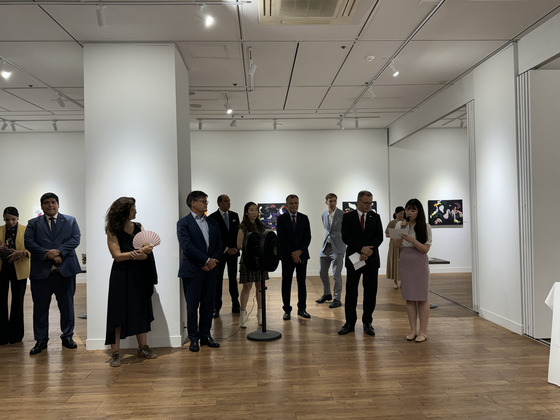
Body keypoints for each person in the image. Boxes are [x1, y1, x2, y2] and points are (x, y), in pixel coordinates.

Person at [24, 192, 81, 355]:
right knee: (40, 308)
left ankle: (68, 336)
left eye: (53, 202)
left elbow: (75, 239)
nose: (50, 205)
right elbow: (29, 242)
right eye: (47, 203)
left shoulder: (70, 221)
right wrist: (46, 254)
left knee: (67, 307)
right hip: (41, 274)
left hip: (65, 272)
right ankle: (41, 340)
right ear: (42, 206)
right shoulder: (33, 223)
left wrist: (59, 252)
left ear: (58, 204)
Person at [104, 197, 158, 367]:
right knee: (117, 311)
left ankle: (143, 347)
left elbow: (146, 253)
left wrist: (139, 253)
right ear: (124, 211)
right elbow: (117, 256)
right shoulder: (112, 229)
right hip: (120, 274)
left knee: (140, 309)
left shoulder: (138, 226)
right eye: (133, 208)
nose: (136, 212)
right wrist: (135, 254)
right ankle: (115, 353)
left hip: (138, 274)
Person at [177, 191, 222, 352]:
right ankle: (193, 338)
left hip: (211, 270)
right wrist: (205, 260)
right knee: (192, 306)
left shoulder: (212, 222)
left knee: (208, 305)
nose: (206, 204)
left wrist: (213, 261)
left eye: (206, 201)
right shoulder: (183, 223)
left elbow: (219, 244)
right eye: (203, 201)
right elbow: (187, 247)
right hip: (192, 270)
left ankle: (205, 335)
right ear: (193, 203)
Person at [338, 190, 383, 336]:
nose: (369, 205)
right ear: (358, 202)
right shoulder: (348, 217)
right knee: (351, 292)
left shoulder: (375, 217)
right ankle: (350, 322)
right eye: (366, 203)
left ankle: (367, 322)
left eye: (371, 203)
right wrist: (361, 249)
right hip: (354, 258)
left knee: (370, 292)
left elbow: (379, 237)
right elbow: (346, 237)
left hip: (371, 259)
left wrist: (368, 251)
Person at [394, 198, 432, 343]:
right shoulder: (399, 224)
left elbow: (425, 249)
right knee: (409, 298)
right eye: (408, 209)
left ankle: (423, 332)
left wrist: (412, 240)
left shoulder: (425, 226)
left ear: (419, 212)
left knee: (422, 298)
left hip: (419, 262)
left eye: (413, 210)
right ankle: (412, 330)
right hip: (405, 261)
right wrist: (402, 229)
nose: (410, 212)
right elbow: (396, 245)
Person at [276, 194, 312, 320]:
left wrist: (300, 252)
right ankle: (287, 310)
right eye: (291, 203)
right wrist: (293, 253)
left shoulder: (304, 218)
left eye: (296, 202)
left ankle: (302, 309)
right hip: (287, 256)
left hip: (302, 256)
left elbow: (308, 237)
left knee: (302, 283)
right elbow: (281, 238)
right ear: (287, 205)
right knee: (286, 283)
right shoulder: (281, 219)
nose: (294, 205)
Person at [0, 207, 30, 345]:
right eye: (7, 219)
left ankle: (16, 335)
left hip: (19, 269)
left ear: (18, 218)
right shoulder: (0, 230)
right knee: (1, 302)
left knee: (18, 302)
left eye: (13, 219)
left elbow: (33, 248)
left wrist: (22, 253)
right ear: (3, 219)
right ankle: (2, 335)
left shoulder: (26, 230)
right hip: (2, 269)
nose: (10, 222)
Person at [236, 202, 269, 328]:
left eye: (256, 210)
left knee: (260, 286)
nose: (254, 212)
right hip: (248, 260)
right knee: (247, 287)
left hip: (261, 260)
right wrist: (252, 248)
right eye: (251, 210)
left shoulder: (261, 226)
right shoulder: (243, 227)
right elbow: (239, 245)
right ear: (246, 212)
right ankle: (243, 314)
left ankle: (260, 314)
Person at [208, 194, 240, 318]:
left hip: (233, 253)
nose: (229, 203)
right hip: (219, 254)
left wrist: (235, 248)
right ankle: (217, 306)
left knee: (233, 279)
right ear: (219, 203)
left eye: (229, 201)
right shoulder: (212, 218)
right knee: (218, 280)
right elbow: (214, 238)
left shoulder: (234, 215)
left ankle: (235, 304)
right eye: (226, 201)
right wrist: (226, 249)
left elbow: (237, 233)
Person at [317, 193, 346, 309]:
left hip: (338, 247)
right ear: (326, 202)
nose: (333, 203)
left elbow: (346, 231)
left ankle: (337, 299)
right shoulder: (323, 215)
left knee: (336, 274)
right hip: (326, 246)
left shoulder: (343, 215)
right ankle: (327, 294)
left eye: (334, 201)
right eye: (330, 201)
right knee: (322, 272)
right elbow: (327, 230)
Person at [385, 206, 405, 289]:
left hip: (403, 245)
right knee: (395, 262)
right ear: (396, 214)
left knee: (403, 263)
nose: (402, 215)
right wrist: (397, 234)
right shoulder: (392, 223)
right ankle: (395, 282)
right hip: (394, 245)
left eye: (403, 214)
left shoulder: (405, 222)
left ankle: (403, 281)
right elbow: (387, 234)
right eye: (400, 214)